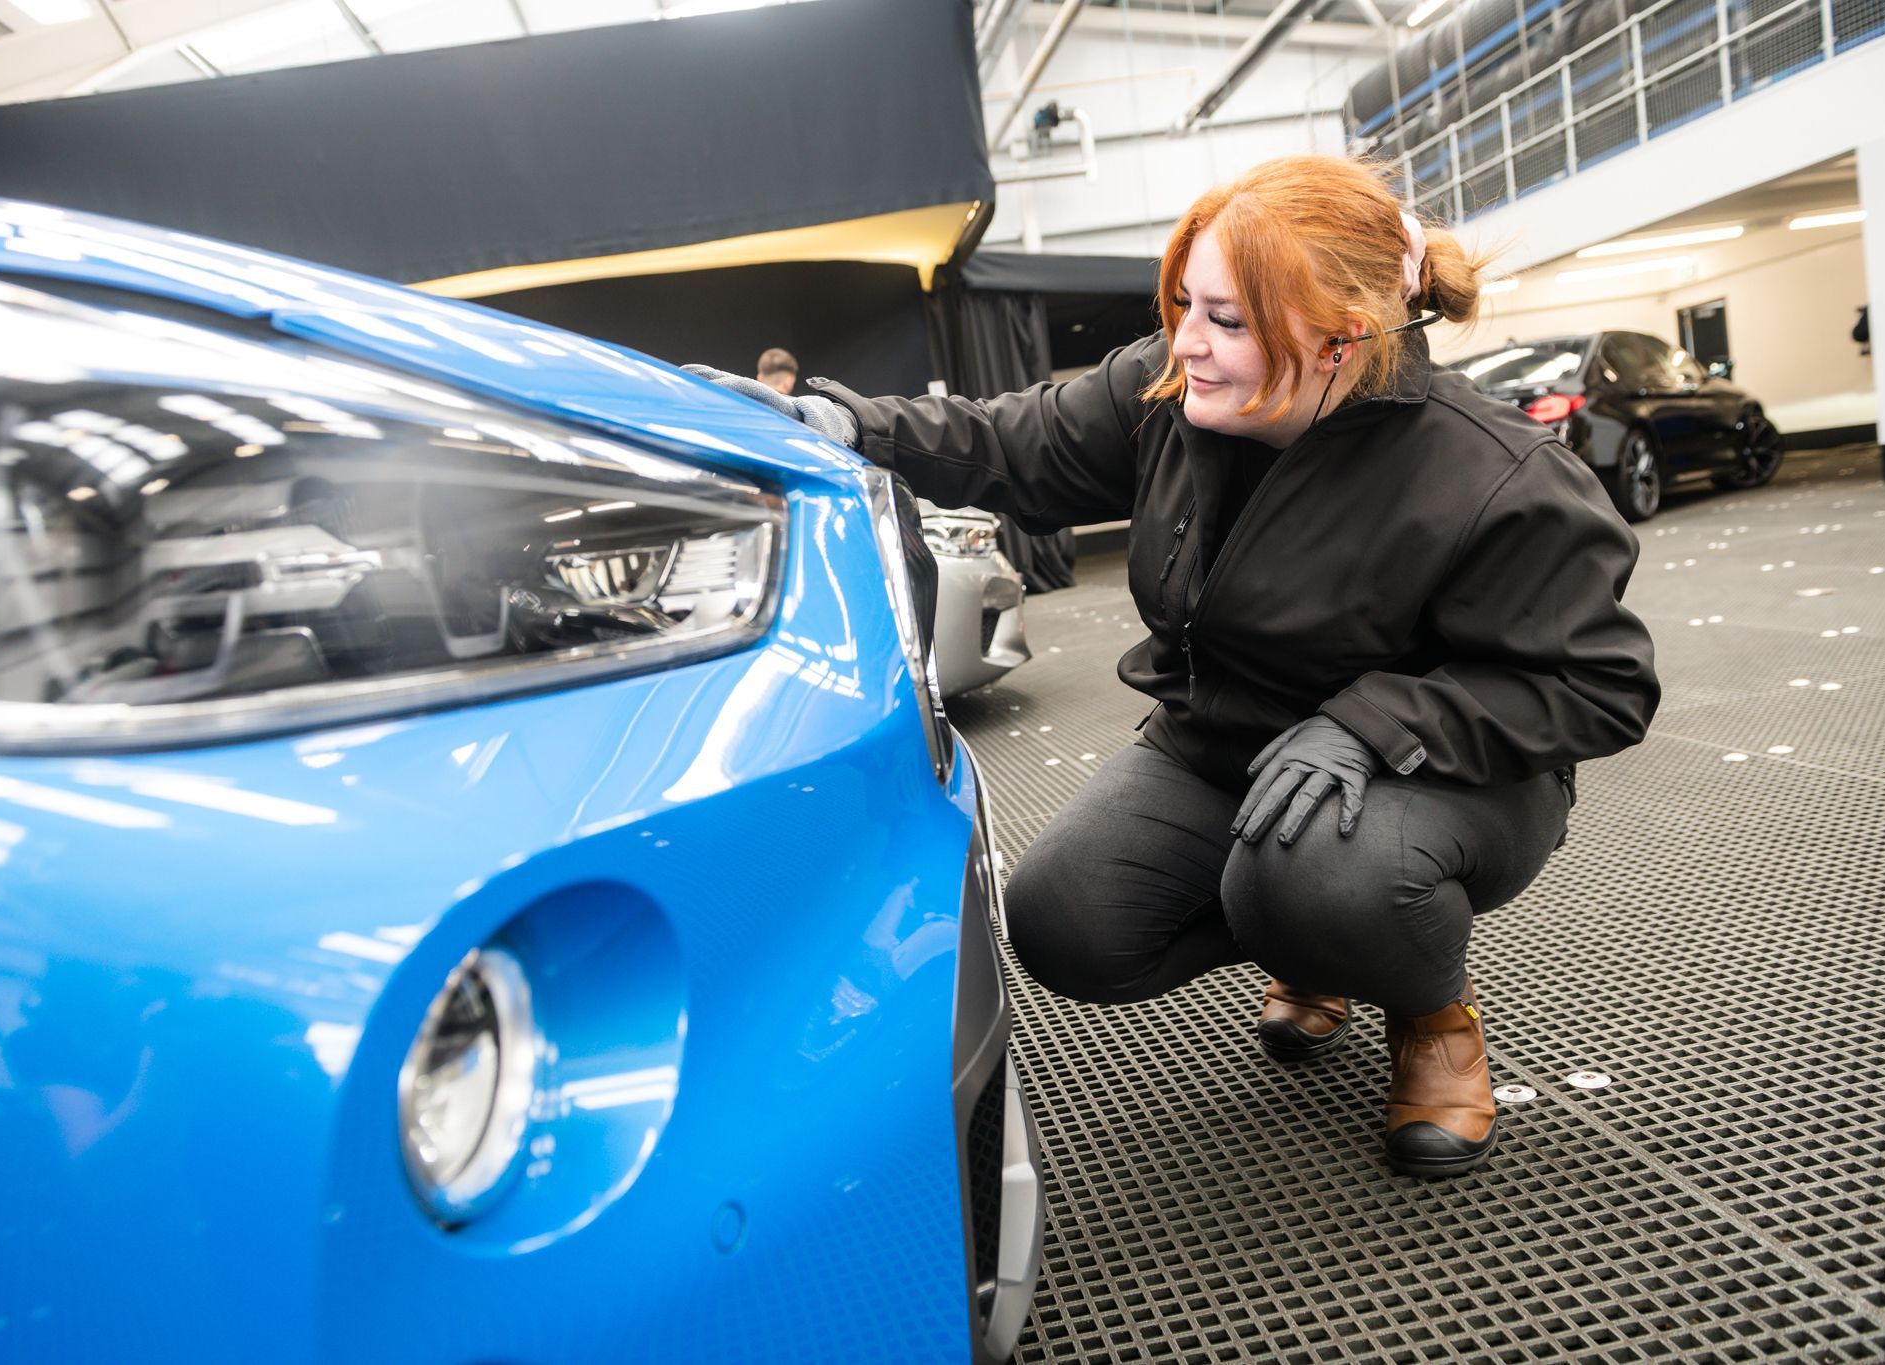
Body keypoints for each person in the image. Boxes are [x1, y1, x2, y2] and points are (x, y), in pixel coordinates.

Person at [688, 155, 1659, 1178]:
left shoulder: (1493, 475)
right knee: (1068, 924)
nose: (1184, 342)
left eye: (1227, 321)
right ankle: (1310, 947)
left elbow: (1598, 684)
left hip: (1439, 776)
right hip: (1222, 749)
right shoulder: (1166, 393)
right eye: (1183, 305)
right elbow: (1008, 442)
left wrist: (1370, 721)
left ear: (1341, 337)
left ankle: (1426, 1015)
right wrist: (844, 424)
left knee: (1321, 879)